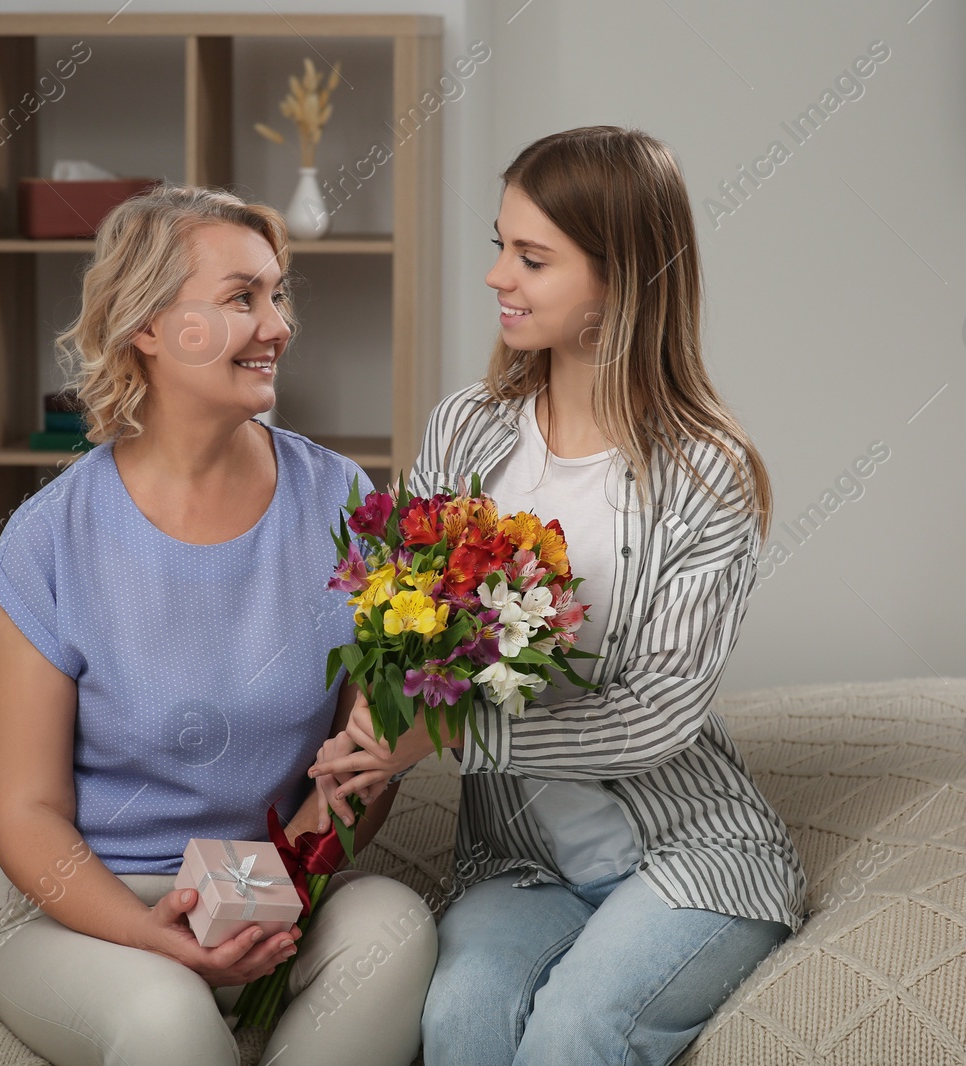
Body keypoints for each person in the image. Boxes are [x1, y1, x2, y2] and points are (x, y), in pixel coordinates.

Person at [308, 126, 808, 1065]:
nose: (499, 276)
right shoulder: (467, 429)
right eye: (500, 246)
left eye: (533, 258)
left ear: (624, 278)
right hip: (521, 868)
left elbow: (658, 713)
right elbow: (401, 627)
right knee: (458, 1021)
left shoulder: (707, 474)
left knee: (576, 1032)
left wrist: (448, 735)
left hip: (691, 859)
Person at [0, 184, 436, 1066]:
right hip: (81, 903)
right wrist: (162, 939)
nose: (278, 326)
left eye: (277, 294)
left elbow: (360, 762)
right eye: (240, 298)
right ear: (146, 326)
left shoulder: (343, 501)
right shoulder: (51, 536)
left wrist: (276, 891)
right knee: (166, 1018)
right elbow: (24, 813)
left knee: (395, 929)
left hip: (265, 881)